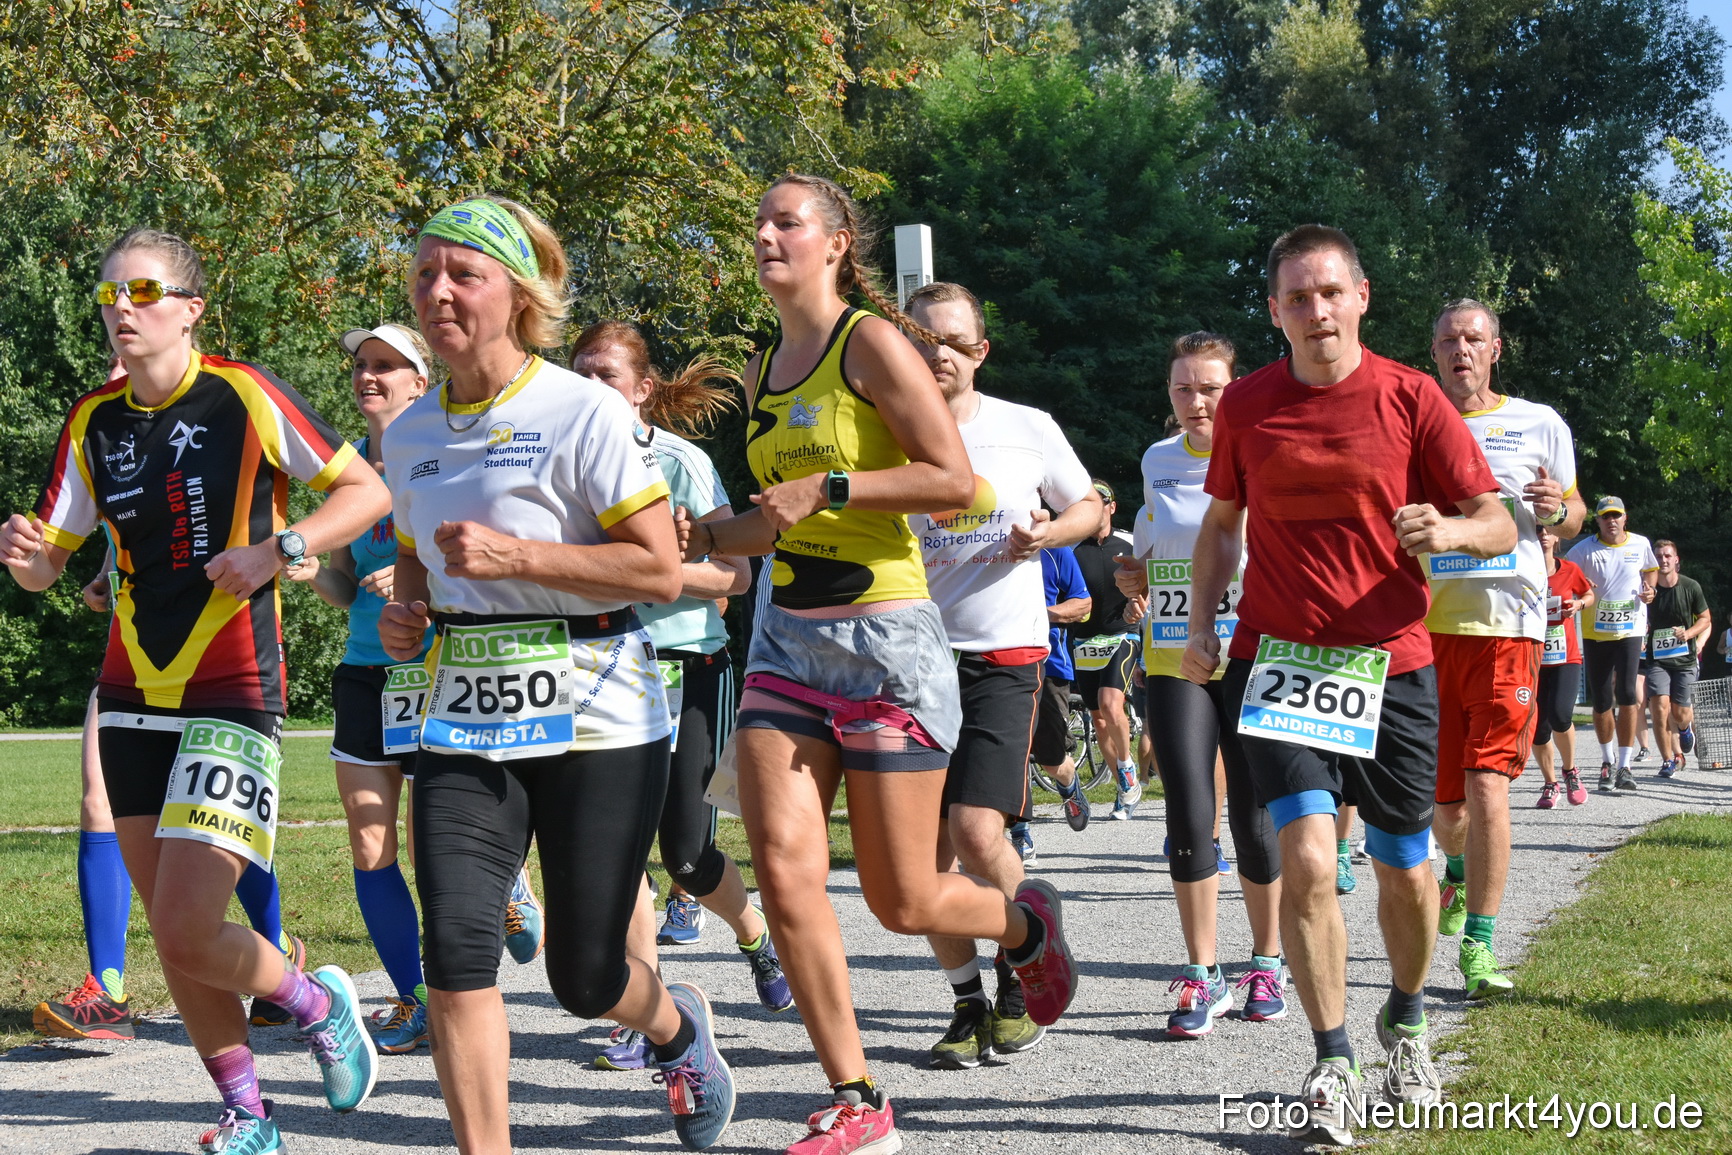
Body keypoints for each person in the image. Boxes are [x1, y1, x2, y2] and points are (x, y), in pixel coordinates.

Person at [681, 173, 1076, 1155]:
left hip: (885, 643)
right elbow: (765, 526)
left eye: (786, 221)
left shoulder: (869, 341)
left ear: (834, 242)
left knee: (904, 901)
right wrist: (703, 531)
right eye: (758, 221)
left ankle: (1024, 930)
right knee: (783, 872)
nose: (766, 234)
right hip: (784, 646)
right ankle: (857, 1100)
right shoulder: (769, 364)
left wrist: (833, 484)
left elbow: (953, 480)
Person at [4, 227, 391, 1152]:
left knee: (184, 921)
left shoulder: (243, 394)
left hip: (233, 684)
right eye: (107, 296)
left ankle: (313, 999)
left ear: (190, 308)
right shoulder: (92, 421)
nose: (122, 310)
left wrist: (280, 548)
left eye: (142, 291)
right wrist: (25, 561)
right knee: (177, 939)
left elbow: (365, 493)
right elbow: (47, 567)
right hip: (131, 690)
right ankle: (249, 1111)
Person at [376, 195, 733, 1153]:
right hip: (464, 710)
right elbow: (416, 555)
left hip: (599, 712)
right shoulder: (408, 433)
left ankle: (675, 1030)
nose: (439, 291)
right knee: (453, 951)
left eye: (464, 274)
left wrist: (517, 558)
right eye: (424, 274)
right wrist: (408, 614)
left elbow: (660, 568)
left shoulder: (579, 411)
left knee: (584, 978)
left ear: (517, 295)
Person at [1187, 224, 1513, 1144]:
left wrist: (1447, 534)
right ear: (1274, 311)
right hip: (1278, 661)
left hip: (1394, 664)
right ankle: (1332, 1057)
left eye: (1329, 291)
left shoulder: (1412, 397)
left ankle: (1404, 1016)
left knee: (1408, 871)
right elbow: (1219, 528)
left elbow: (1496, 520)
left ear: (1362, 295)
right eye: (1297, 296)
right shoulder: (1248, 405)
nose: (1315, 310)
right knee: (1312, 858)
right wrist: (1208, 622)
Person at [567, 320, 791, 1074]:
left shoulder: (681, 462)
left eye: (605, 374)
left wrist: (649, 571)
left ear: (643, 389)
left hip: (689, 663)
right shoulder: (557, 464)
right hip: (598, 668)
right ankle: (645, 1006)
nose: (590, 387)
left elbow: (738, 581)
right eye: (579, 372)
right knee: (618, 845)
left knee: (689, 854)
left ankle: (755, 934)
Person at [292, 322, 520, 1057]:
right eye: (362, 364)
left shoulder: (450, 451)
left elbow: (491, 551)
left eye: (387, 365)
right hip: (366, 672)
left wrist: (418, 576)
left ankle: (507, 893)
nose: (370, 376)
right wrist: (316, 574)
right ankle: (415, 995)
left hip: (442, 669)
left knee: (437, 845)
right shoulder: (347, 471)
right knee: (368, 844)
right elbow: (346, 583)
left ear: (421, 381)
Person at [902, 281, 1100, 1069]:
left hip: (1002, 653)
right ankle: (966, 1000)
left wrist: (1051, 531)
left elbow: (1088, 506)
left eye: (953, 341)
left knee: (977, 830)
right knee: (919, 860)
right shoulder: (882, 432)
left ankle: (1024, 966)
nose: (937, 353)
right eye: (921, 339)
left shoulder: (1026, 428)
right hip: (908, 657)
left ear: (981, 352)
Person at [1114, 331, 1286, 1038]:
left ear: (1235, 388)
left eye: (1209, 386)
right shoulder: (1158, 460)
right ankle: (1201, 969)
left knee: (1252, 813)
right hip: (1175, 651)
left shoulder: (1263, 445)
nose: (1195, 401)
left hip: (1250, 648)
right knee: (1188, 809)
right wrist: (1133, 575)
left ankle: (1267, 960)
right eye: (1182, 388)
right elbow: (1151, 548)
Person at [1423, 299, 1585, 1000]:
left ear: (1496, 349)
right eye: (1450, 340)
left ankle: (1481, 947)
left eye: (1474, 339)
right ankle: (1457, 873)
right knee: (1445, 806)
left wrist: (1557, 509)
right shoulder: (1414, 417)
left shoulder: (1539, 421)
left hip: (1507, 625)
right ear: (1434, 352)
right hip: (1426, 628)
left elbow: (1574, 511)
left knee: (1490, 782)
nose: (1462, 349)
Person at [1565, 497, 1659, 791]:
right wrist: (1579, 588)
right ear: (1599, 521)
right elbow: (1567, 576)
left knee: (1629, 692)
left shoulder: (1640, 544)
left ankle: (1625, 765)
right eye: (1606, 517)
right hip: (1596, 632)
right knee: (1603, 699)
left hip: (1630, 630)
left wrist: (1650, 589)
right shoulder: (1583, 550)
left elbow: (1651, 569)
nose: (1612, 521)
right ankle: (1606, 761)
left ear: (1625, 518)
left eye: (1616, 516)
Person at [1065, 480, 1143, 817]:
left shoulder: (1128, 542)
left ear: (1111, 507)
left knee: (1111, 705)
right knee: (1098, 721)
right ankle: (1124, 789)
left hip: (1122, 636)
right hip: (1083, 641)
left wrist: (1142, 605)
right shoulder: (1071, 549)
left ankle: (1127, 768)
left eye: (1101, 502)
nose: (1095, 510)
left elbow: (1151, 579)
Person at [1026, 544, 1093, 851]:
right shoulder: (980, 542)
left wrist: (1040, 615)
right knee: (1009, 752)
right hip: (996, 662)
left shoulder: (1055, 550)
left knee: (1052, 758)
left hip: (1050, 665)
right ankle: (1019, 832)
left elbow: (1082, 604)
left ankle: (1069, 784)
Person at [1533, 523, 1595, 806]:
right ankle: (1550, 784)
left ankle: (1570, 771)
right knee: (1536, 727)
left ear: (1557, 536)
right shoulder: (1522, 572)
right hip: (1532, 658)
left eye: (1547, 530)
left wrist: (1578, 606)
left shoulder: (1569, 569)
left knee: (1560, 715)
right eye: (1537, 530)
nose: (1543, 534)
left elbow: (1589, 595)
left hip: (1565, 656)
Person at [1643, 539, 1711, 778]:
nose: (1663, 560)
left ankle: (1684, 730)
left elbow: (1705, 618)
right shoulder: (1647, 591)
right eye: (1659, 556)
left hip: (1684, 660)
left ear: (1676, 560)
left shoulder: (1690, 587)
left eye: (1667, 556)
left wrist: (1689, 634)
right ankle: (1668, 760)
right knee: (1659, 708)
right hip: (1657, 661)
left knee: (1680, 712)